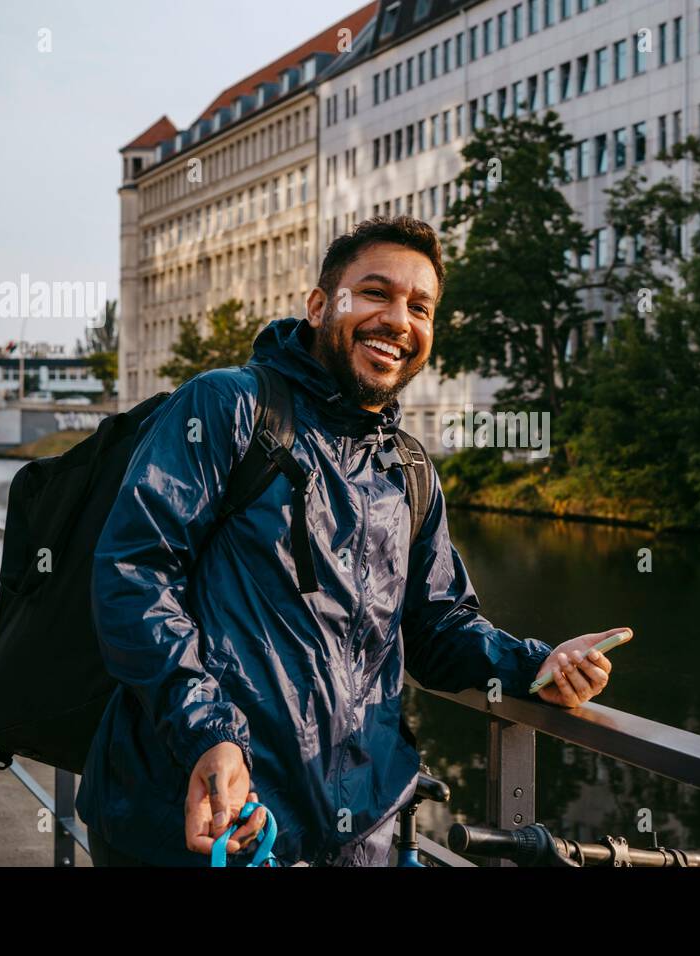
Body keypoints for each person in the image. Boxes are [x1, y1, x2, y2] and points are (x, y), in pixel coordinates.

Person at [76, 216, 631, 867]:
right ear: (319, 306)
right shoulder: (229, 407)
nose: (398, 319)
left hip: (360, 836)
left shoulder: (411, 469)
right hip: (207, 820)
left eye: (419, 307)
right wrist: (208, 732)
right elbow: (133, 577)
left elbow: (436, 626)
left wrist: (534, 665)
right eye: (375, 293)